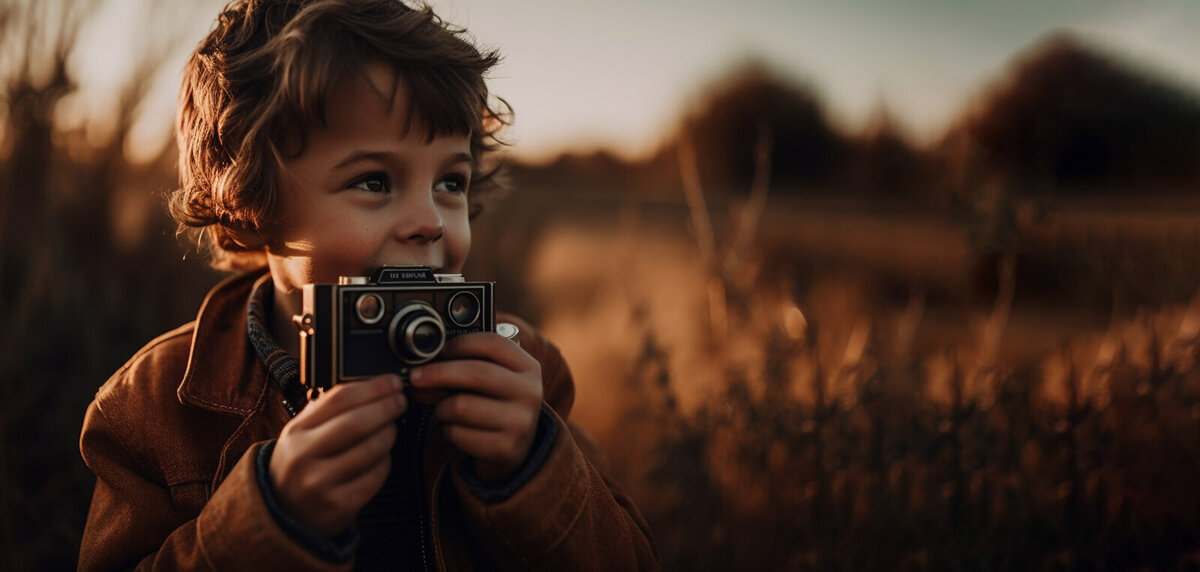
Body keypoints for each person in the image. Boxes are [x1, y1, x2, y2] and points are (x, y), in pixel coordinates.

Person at [77, 0, 659, 569]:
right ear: (251, 209)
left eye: (450, 182)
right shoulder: (156, 405)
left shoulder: (519, 365)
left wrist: (532, 469)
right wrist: (268, 519)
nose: (430, 220)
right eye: (375, 181)